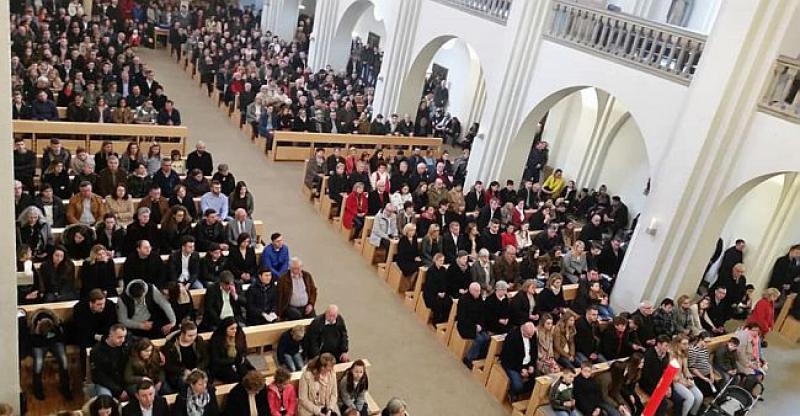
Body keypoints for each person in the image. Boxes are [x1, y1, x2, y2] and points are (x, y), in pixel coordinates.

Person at [28, 308, 71, 401]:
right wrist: (37, 332)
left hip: (55, 342)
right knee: (38, 364)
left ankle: (65, 387)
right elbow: (32, 342)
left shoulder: (56, 323)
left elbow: (62, 337)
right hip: (38, 343)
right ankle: (37, 389)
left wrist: (52, 337)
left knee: (63, 361)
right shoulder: (32, 325)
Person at [163, 321, 210, 393]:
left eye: (195, 334)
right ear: (182, 334)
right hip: (179, 373)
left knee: (204, 382)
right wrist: (183, 371)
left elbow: (206, 358)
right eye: (190, 336)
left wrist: (198, 368)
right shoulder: (171, 345)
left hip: (197, 370)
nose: (193, 337)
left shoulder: (198, 341)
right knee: (185, 386)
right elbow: (168, 365)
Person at [91, 324, 130, 402]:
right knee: (106, 401)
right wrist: (119, 391)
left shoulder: (124, 346)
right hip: (105, 384)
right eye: (119, 337)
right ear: (110, 336)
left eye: (124, 337)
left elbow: (141, 343)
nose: (123, 340)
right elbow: (99, 376)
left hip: (124, 381)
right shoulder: (97, 351)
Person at [502, 322, 538, 401]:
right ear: (523, 330)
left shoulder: (532, 334)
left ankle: (522, 393)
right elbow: (508, 358)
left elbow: (534, 352)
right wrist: (521, 369)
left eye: (532, 335)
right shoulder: (513, 336)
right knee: (518, 386)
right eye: (528, 335)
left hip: (527, 364)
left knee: (537, 381)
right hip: (513, 365)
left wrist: (532, 365)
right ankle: (512, 392)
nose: (531, 337)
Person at [208, 317, 249, 384]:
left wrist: (242, 357)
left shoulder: (239, 334)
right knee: (235, 379)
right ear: (225, 329)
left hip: (238, 361)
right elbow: (216, 360)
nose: (235, 330)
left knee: (248, 376)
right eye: (232, 329)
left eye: (236, 328)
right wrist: (233, 362)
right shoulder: (216, 339)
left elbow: (244, 350)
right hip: (222, 365)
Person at [671, 334, 704, 416]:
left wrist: (690, 379)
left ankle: (693, 413)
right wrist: (685, 383)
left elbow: (685, 370)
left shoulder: (684, 353)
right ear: (678, 344)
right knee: (690, 398)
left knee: (699, 397)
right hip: (675, 381)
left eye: (688, 343)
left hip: (683, 378)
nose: (687, 346)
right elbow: (673, 376)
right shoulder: (672, 355)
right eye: (684, 344)